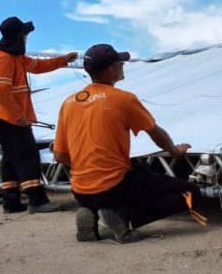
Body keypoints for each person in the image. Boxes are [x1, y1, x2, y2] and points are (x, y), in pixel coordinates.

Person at [52, 44, 206, 244]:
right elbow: (155, 133)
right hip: (114, 188)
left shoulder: (69, 102)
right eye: (120, 63)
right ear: (111, 70)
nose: (123, 65)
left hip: (81, 191)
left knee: (130, 179)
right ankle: (121, 216)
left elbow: (60, 156)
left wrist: (88, 167)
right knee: (190, 193)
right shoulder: (122, 99)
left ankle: (90, 210)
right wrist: (175, 152)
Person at [0, 16, 78, 214]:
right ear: (18, 37)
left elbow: (38, 66)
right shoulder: (5, 58)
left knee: (11, 159)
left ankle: (11, 203)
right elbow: (1, 89)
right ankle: (37, 201)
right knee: (27, 155)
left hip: (6, 118)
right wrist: (18, 115)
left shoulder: (15, 57)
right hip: (10, 118)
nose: (27, 38)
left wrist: (63, 60)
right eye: (25, 34)